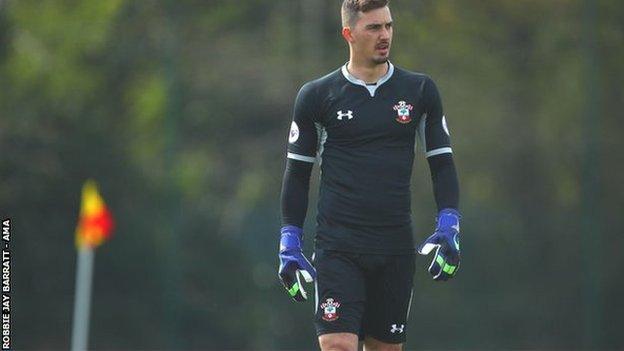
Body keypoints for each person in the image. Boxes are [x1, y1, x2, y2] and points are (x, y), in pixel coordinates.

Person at [277, 1, 461, 350]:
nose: (385, 35)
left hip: (394, 247)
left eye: (388, 26)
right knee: (338, 344)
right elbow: (297, 174)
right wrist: (289, 242)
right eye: (373, 28)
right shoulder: (317, 96)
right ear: (349, 34)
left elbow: (442, 164)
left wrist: (449, 224)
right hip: (338, 247)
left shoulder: (419, 91)